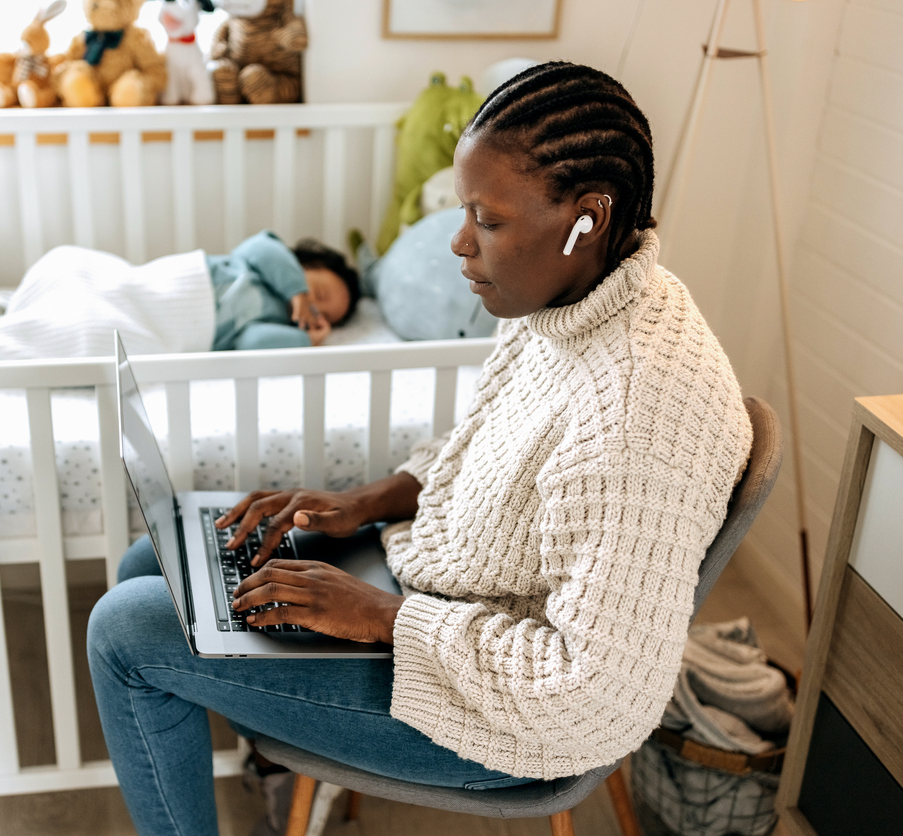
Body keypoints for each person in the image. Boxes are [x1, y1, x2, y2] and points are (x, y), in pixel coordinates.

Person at [86, 61, 752, 836]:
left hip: (496, 712)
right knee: (156, 560)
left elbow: (591, 696)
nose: (460, 243)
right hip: (440, 601)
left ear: (588, 217)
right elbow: (485, 444)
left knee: (126, 629)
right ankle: (270, 757)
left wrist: (378, 616)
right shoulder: (573, 303)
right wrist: (362, 502)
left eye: (488, 220)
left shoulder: (640, 409)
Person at [209, 230, 361, 350]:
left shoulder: (277, 323)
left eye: (324, 317)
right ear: (305, 264)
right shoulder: (265, 263)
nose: (315, 308)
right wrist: (298, 292)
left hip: (194, 339)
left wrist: (307, 340)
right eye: (319, 294)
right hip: (197, 279)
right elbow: (256, 246)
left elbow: (250, 342)